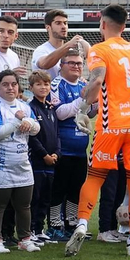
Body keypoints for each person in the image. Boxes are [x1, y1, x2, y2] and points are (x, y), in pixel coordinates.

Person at [65, 5, 130, 258]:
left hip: (112, 123)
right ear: (124, 26)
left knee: (95, 176)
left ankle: (81, 223)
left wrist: (82, 107)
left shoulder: (99, 50)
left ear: (102, 24)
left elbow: (97, 81)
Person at [0, 70, 40, 253]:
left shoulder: (25, 106)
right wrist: (17, 122)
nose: (10, 88)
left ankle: (25, 238)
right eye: (5, 84)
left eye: (13, 84)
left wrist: (28, 122)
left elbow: (36, 129)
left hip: (21, 162)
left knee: (24, 204)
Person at [49, 54, 90, 240]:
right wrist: (83, 101)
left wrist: (93, 104)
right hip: (63, 148)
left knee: (76, 188)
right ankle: (54, 224)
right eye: (71, 63)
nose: (76, 66)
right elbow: (60, 112)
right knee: (59, 188)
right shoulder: (57, 84)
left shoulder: (83, 85)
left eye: (79, 63)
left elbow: (89, 111)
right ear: (62, 65)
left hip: (80, 149)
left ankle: (71, 223)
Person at [25, 70, 59, 241]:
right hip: (37, 162)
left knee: (46, 197)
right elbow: (32, 137)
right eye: (38, 84)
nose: (43, 87)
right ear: (31, 87)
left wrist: (56, 153)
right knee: (35, 197)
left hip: (51, 162)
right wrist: (44, 155)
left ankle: (39, 229)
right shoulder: (30, 108)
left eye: (46, 84)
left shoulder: (51, 109)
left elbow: (56, 134)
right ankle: (30, 230)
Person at [32, 9, 87, 78]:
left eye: (65, 23)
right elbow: (44, 64)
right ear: (48, 27)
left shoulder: (71, 51)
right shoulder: (41, 50)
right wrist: (68, 45)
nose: (63, 27)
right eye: (58, 23)